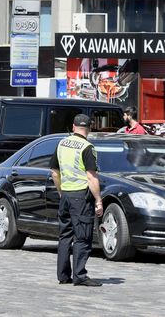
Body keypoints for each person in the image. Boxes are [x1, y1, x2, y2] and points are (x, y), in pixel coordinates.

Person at [49, 114, 103, 287]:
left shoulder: (61, 144)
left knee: (65, 235)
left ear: (73, 127)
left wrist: (60, 191)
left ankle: (63, 276)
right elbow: (91, 177)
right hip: (80, 197)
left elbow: (54, 172)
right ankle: (79, 275)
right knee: (82, 237)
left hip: (65, 195)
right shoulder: (87, 147)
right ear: (89, 128)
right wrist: (98, 200)